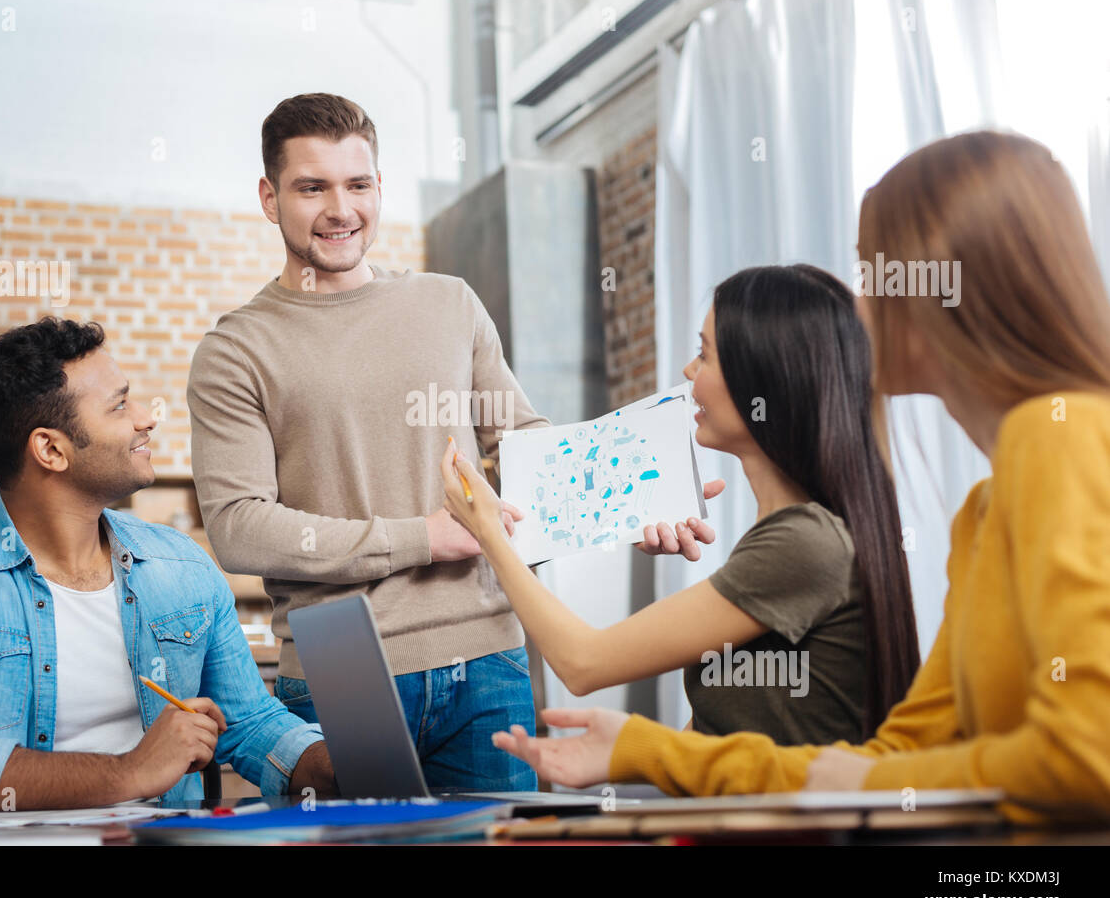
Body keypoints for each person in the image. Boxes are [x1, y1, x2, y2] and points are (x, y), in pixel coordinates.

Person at [486, 130, 1110, 825]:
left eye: (877, 277)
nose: (862, 308)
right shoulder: (983, 509)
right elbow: (898, 754)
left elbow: (1085, 757)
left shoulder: (1061, 439)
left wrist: (491, 532)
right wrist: (650, 749)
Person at [186, 92, 711, 792]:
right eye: (313, 187)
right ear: (269, 196)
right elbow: (239, 529)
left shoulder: (449, 303)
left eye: (358, 184)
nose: (340, 208)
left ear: (379, 187)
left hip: (490, 656)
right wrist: (422, 539)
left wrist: (637, 498)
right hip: (345, 669)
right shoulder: (236, 349)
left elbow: (524, 441)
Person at [0, 317, 336, 815]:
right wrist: (131, 771)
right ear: (50, 449)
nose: (145, 418)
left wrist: (337, 766)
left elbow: (251, 724)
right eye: (119, 405)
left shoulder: (182, 566)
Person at [442, 263, 920, 748]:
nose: (689, 371)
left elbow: (583, 664)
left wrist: (488, 532)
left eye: (705, 355)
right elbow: (718, 730)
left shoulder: (805, 543)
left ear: (766, 379)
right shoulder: (790, 535)